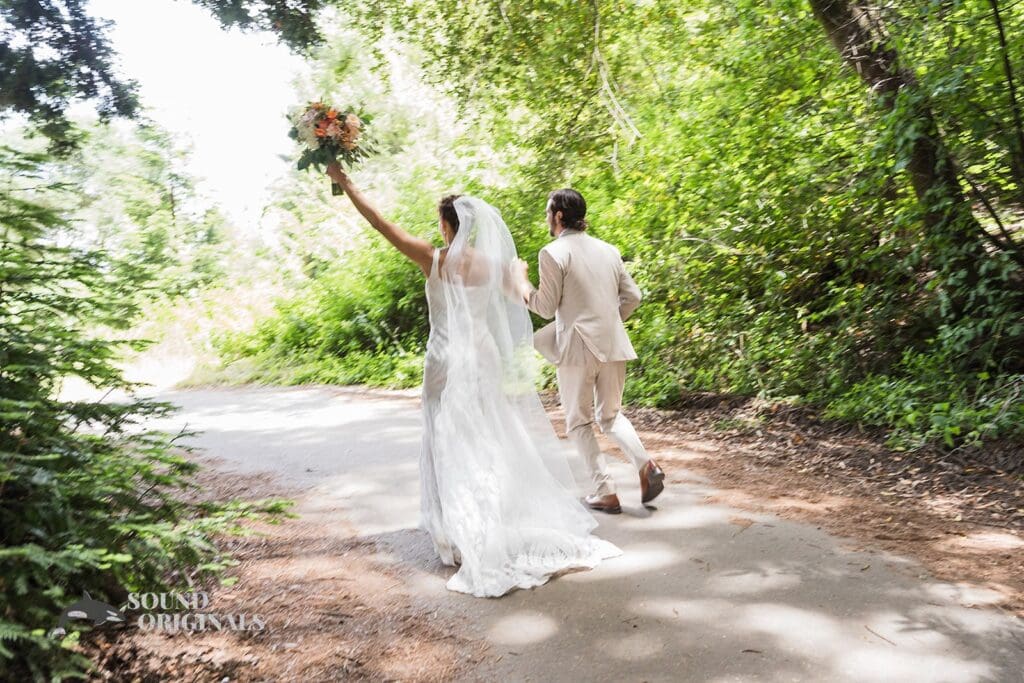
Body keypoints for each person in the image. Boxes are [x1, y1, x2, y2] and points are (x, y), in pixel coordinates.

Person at [325, 163, 620, 598]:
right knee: (488, 435)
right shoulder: (493, 266)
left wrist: (345, 182)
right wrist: (520, 276)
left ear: (447, 226)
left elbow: (378, 222)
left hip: (444, 359)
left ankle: (461, 530)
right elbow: (528, 299)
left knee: (447, 438)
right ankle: (490, 519)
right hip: (483, 357)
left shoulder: (433, 258)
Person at [513, 188, 665, 514]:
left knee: (579, 423)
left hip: (578, 349)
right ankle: (646, 465)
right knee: (610, 416)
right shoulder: (609, 250)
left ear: (557, 216)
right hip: (613, 343)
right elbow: (634, 296)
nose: (545, 218)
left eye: (546, 212)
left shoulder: (553, 252)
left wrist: (521, 282)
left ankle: (605, 492)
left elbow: (544, 306)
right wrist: (608, 321)